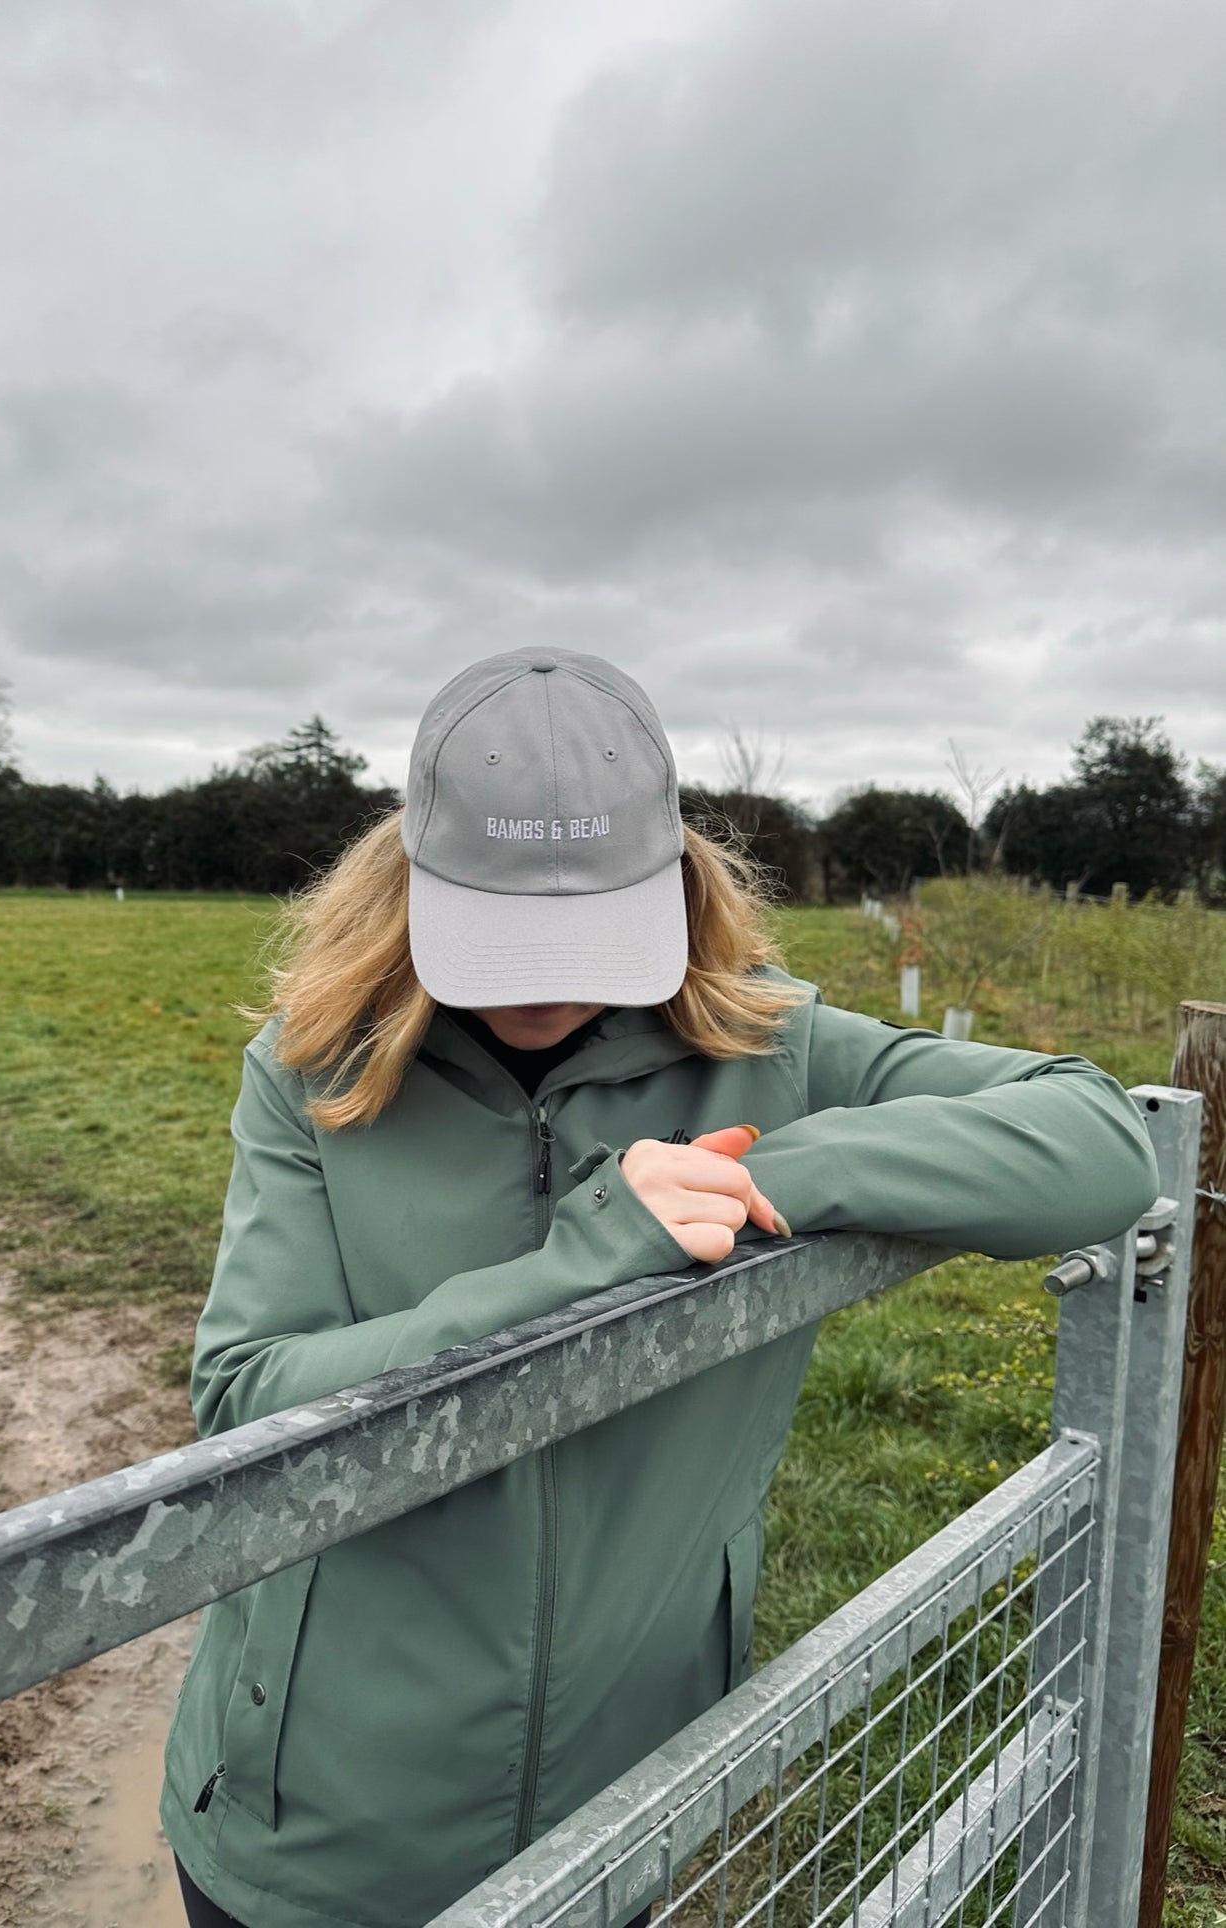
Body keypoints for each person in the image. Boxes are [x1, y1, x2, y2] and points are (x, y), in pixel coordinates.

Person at [161, 648, 1157, 1928]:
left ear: (672, 882)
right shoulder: (312, 1072)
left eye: (586, 935)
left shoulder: (765, 1045)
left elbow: (1094, 1138)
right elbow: (249, 1401)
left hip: (621, 1802)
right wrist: (593, 1252)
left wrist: (769, 1168)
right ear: (410, 881)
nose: (545, 983)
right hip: (316, 1829)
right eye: (502, 933)